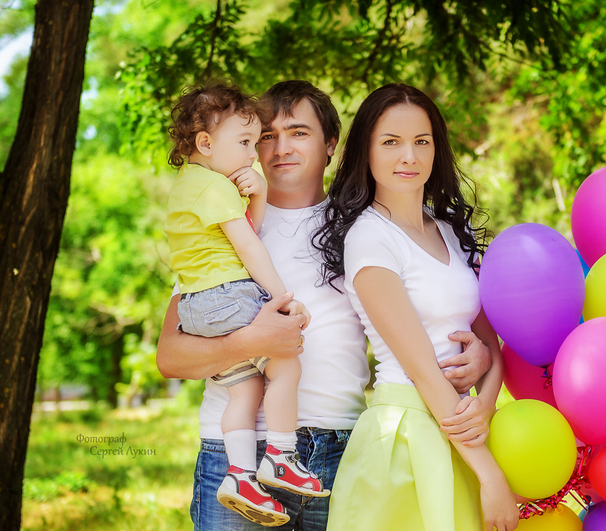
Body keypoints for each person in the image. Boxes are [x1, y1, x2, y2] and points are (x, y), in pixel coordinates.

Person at [157, 80, 495, 531]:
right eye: (267, 136)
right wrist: (251, 342)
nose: (281, 148)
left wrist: (477, 356)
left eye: (298, 133)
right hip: (238, 453)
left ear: (331, 144)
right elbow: (170, 355)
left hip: (342, 449)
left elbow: (423, 320)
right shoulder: (222, 226)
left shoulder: (364, 226)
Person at [314, 83, 519, 531]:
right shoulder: (370, 238)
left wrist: (485, 403)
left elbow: (490, 341)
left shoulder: (451, 231)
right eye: (391, 142)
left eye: (421, 142)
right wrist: (490, 476)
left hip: (466, 427)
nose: (409, 156)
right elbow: (422, 370)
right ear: (366, 151)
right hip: (407, 435)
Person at [165, 82, 329, 527]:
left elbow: (241, 232)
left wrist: (256, 195)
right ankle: (281, 455)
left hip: (200, 306)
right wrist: (282, 301)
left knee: (246, 389)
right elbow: (250, 247)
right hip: (228, 294)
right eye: (246, 142)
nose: (254, 154)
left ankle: (241, 476)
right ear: (205, 143)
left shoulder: (190, 186)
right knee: (286, 366)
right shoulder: (214, 187)